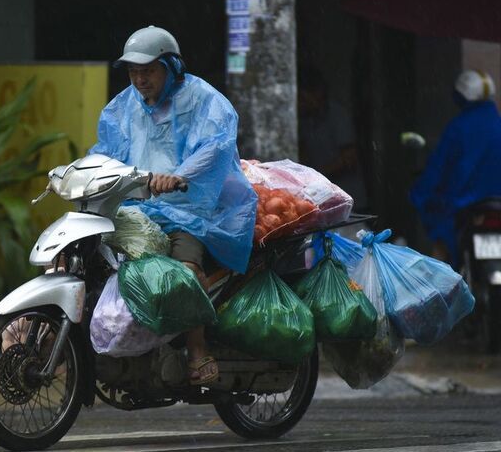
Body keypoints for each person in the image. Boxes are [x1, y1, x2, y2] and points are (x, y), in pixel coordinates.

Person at [89, 25, 257, 385]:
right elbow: (105, 151)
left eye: (148, 70)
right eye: (134, 71)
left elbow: (216, 144)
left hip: (191, 209)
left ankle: (198, 351)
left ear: (171, 67)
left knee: (182, 272)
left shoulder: (200, 98)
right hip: (138, 207)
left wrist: (178, 176)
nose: (139, 79)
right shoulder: (123, 107)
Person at [410, 69, 501, 268]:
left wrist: (421, 193)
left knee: (440, 252)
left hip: (464, 207)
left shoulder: (458, 128)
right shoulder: (496, 124)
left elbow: (437, 171)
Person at [297, 66, 368, 212]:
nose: (301, 104)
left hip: (348, 198)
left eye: (304, 98)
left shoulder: (338, 116)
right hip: (321, 200)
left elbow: (349, 157)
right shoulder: (306, 120)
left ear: (318, 93)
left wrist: (317, 176)